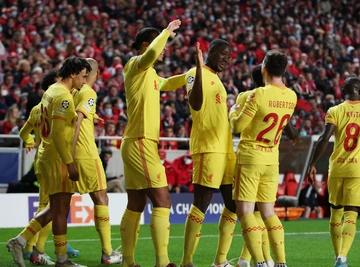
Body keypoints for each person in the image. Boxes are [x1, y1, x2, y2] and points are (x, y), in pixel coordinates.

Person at [6, 57, 91, 267]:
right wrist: (70, 163)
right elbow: (58, 134)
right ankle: (59, 258)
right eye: (83, 76)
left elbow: (35, 127)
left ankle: (22, 241)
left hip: (45, 156)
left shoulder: (51, 90)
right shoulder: (64, 97)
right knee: (60, 208)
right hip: (56, 158)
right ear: (73, 74)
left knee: (55, 208)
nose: (84, 81)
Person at [120, 20, 185, 267]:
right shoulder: (135, 64)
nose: (165, 48)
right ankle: (163, 262)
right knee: (163, 201)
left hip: (136, 141)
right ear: (146, 44)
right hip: (140, 142)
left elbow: (167, 84)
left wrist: (189, 75)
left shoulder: (152, 74)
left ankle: (128, 262)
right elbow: (151, 54)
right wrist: (167, 32)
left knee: (136, 203)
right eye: (161, 43)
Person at [229, 50, 298, 267]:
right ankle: (280, 262)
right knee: (268, 213)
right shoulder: (292, 96)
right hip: (271, 159)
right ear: (284, 70)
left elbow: (237, 127)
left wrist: (233, 112)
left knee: (246, 212)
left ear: (264, 69)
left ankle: (258, 262)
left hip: (251, 157)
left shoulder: (258, 94)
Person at [306, 77, 360, 267]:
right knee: (351, 213)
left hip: (337, 167)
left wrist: (312, 163)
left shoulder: (335, 110)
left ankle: (336, 255)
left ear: (342, 91)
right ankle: (342, 257)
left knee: (335, 212)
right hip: (357, 169)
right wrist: (359, 154)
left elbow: (324, 138)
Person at [181, 41, 237, 267]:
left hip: (225, 149)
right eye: (223, 54)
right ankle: (187, 261)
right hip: (208, 147)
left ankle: (220, 262)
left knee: (232, 204)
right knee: (201, 202)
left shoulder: (218, 79)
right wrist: (198, 66)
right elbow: (195, 104)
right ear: (210, 52)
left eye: (229, 56)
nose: (226, 59)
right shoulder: (196, 73)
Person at [18, 69, 80, 265]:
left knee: (48, 206)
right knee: (53, 207)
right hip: (53, 160)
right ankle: (33, 248)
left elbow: (23, 132)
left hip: (40, 161)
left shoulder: (37, 109)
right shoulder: (57, 103)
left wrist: (28, 141)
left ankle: (35, 247)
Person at [71, 58, 122, 264]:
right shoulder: (89, 92)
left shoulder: (72, 92)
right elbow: (77, 122)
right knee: (102, 199)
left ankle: (29, 244)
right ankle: (108, 253)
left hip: (69, 153)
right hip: (85, 153)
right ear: (97, 73)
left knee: (59, 203)